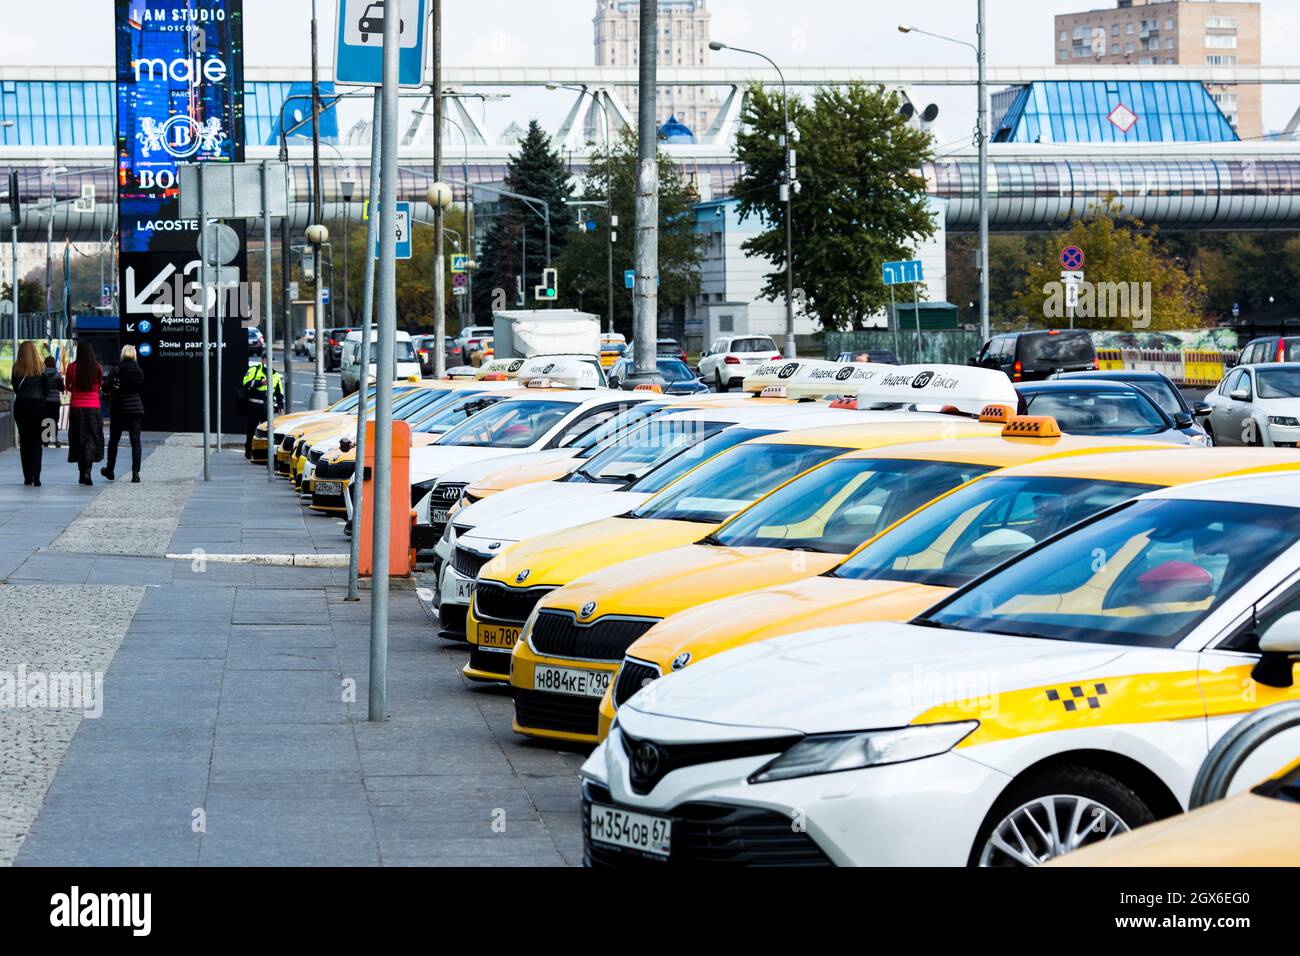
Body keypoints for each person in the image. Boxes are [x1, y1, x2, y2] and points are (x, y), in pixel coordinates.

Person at [102, 345, 145, 483]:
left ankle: (110, 470)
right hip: (136, 408)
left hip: (119, 407)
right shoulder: (138, 370)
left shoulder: (117, 369)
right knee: (135, 441)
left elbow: (106, 386)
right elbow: (141, 387)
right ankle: (135, 473)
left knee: (114, 440)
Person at [10, 341, 50, 486]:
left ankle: (27, 476)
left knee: (25, 441)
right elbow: (46, 389)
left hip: (21, 406)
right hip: (38, 406)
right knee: (37, 441)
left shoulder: (16, 368)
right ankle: (37, 476)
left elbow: (15, 388)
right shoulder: (41, 367)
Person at [65, 341, 104, 486]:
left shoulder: (72, 367)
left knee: (78, 439)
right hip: (93, 407)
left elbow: (68, 386)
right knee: (91, 439)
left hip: (76, 408)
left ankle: (82, 473)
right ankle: (87, 470)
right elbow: (99, 385)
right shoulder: (97, 368)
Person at [242, 355, 284, 459]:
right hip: (254, 404)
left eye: (271, 361)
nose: (269, 362)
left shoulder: (276, 375)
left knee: (267, 430)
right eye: (267, 360)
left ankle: (265, 452)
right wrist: (260, 382)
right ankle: (248, 449)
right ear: (263, 360)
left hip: (267, 407)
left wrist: (280, 406)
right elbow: (245, 383)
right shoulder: (254, 370)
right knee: (252, 429)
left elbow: (279, 393)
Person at [42, 355, 64, 448]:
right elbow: (62, 388)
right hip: (55, 401)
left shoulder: (42, 374)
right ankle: (55, 440)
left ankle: (45, 442)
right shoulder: (57, 374)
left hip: (45, 401)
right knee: (54, 420)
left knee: (46, 420)